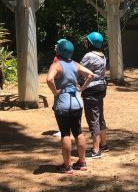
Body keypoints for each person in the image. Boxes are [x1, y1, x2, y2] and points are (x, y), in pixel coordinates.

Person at [47, 39, 95, 174]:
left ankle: (67, 166)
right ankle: (82, 162)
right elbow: (91, 75)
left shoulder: (56, 65)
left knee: (65, 133)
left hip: (63, 104)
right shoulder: (75, 64)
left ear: (59, 51)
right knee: (78, 132)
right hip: (76, 102)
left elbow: (49, 79)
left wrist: (55, 92)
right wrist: (82, 89)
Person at [80, 32, 110, 159]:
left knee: (93, 118)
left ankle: (96, 150)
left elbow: (79, 69)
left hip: (91, 88)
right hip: (101, 87)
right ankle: (104, 144)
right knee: (99, 115)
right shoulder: (102, 55)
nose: (85, 42)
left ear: (90, 42)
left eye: (86, 40)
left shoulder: (89, 55)